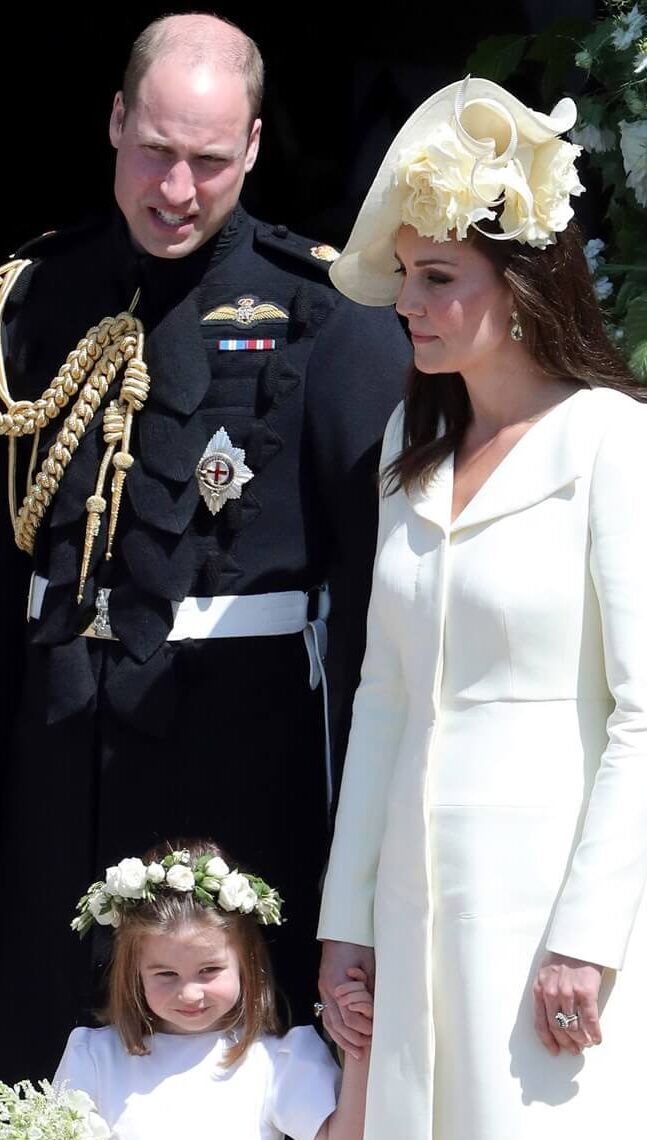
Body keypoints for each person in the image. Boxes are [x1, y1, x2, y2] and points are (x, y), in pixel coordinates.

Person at [0, 13, 407, 1081]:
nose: (176, 190)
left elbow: (373, 580)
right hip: (59, 735)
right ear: (116, 120)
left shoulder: (321, 306)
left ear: (257, 147)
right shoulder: (37, 296)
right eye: (156, 152)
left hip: (234, 742)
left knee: (224, 1053)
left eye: (210, 161)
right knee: (49, 1030)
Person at [316, 78, 647, 1139]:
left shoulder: (617, 445)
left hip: (551, 912)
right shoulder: (408, 450)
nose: (408, 301)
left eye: (438, 276)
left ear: (525, 283)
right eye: (405, 275)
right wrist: (347, 918)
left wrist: (588, 935)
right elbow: (382, 697)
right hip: (413, 905)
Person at [55, 839, 374, 1140]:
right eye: (166, 974)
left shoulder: (275, 1059)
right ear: (135, 971)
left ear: (245, 963)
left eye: (209, 970)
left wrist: (361, 1040)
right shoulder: (94, 1057)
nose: (190, 993)